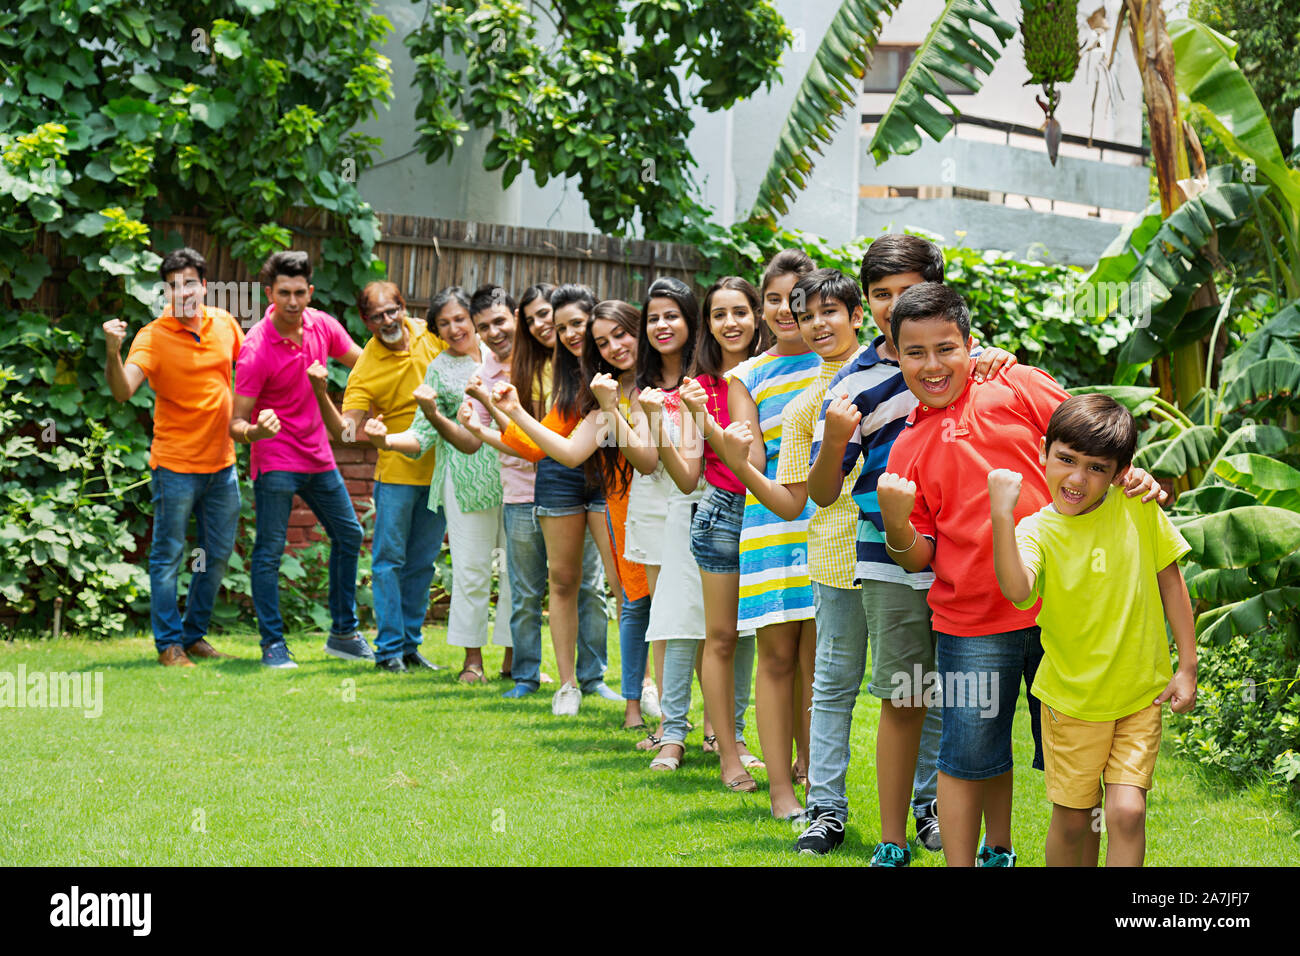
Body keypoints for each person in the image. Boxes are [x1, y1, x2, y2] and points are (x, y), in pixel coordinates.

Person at [876, 281, 1165, 866]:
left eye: (946, 348)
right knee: (968, 755)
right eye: (915, 352)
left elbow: (1092, 442)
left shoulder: (1016, 383)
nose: (932, 365)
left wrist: (1137, 478)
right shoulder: (906, 446)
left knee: (1079, 775)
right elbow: (919, 557)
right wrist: (896, 523)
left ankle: (1035, 855)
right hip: (972, 623)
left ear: (970, 344)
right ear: (895, 352)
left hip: (1067, 619)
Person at [803, 236, 1013, 861]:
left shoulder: (974, 362)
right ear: (866, 302)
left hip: (968, 560)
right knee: (905, 693)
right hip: (889, 558)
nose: (894, 307)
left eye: (906, 292)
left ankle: (934, 810)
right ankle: (892, 835)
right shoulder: (854, 380)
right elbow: (821, 490)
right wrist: (837, 434)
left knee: (961, 696)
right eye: (881, 296)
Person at [988, 395, 1196, 866]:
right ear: (1044, 451)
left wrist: (1187, 665)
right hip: (1072, 703)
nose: (1077, 479)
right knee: (1075, 819)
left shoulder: (1137, 505)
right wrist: (1001, 515)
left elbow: (1170, 577)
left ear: (1120, 472)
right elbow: (1018, 589)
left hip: (1141, 693)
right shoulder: (1035, 530)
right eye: (1066, 460)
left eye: (1097, 468)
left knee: (1125, 811)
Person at [460, 284, 611, 701]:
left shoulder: (587, 365)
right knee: (531, 587)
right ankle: (528, 675)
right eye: (537, 320)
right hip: (531, 484)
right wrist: (483, 421)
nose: (546, 326)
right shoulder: (522, 370)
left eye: (554, 318)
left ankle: (594, 677)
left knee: (590, 586)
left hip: (588, 481)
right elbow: (529, 441)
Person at [102, 247, 242, 667]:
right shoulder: (152, 335)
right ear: (166, 289)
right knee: (168, 557)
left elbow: (252, 371)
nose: (183, 292)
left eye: (190, 283)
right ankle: (169, 645)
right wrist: (112, 350)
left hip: (223, 464)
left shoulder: (226, 324)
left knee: (215, 555)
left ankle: (194, 634)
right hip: (176, 466)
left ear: (204, 285)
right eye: (174, 285)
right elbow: (123, 390)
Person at [230, 251, 369, 669]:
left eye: (300, 292)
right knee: (270, 552)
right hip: (275, 456)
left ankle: (343, 634)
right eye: (283, 293)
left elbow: (367, 364)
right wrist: (255, 432)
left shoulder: (322, 325)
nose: (293, 301)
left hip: (318, 455)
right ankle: (273, 644)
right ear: (270, 294)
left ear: (310, 292)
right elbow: (236, 421)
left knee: (349, 534)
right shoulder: (256, 349)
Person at [369, 287, 510, 682]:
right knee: (471, 570)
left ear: (474, 319)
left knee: (518, 570)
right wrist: (386, 441)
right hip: (464, 481)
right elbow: (421, 435)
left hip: (516, 477)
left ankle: (518, 661)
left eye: (460, 319)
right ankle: (473, 661)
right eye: (443, 324)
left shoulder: (506, 356)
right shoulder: (439, 370)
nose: (453, 329)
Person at [306, 280, 445, 673]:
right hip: (397, 474)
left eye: (392, 310)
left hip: (439, 471)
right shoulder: (366, 366)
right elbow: (346, 433)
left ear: (403, 308)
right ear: (365, 321)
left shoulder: (427, 332)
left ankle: (410, 646)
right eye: (377, 316)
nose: (387, 320)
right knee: (389, 562)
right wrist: (321, 392)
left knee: (423, 563)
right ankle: (388, 652)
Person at [724, 249, 820, 820]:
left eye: (799, 299)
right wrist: (736, 454)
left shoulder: (842, 360)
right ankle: (782, 790)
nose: (788, 310)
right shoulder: (748, 375)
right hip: (772, 525)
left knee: (820, 665)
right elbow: (752, 457)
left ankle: (816, 779)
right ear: (762, 307)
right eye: (776, 299)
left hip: (832, 526)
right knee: (777, 660)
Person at [676, 277, 770, 792]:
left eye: (739, 312)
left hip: (778, 515)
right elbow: (688, 476)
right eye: (718, 314)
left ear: (756, 316)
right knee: (722, 638)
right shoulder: (699, 386)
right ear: (707, 324)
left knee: (781, 644)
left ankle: (784, 755)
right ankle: (727, 754)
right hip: (723, 515)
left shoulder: (776, 371)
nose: (730, 323)